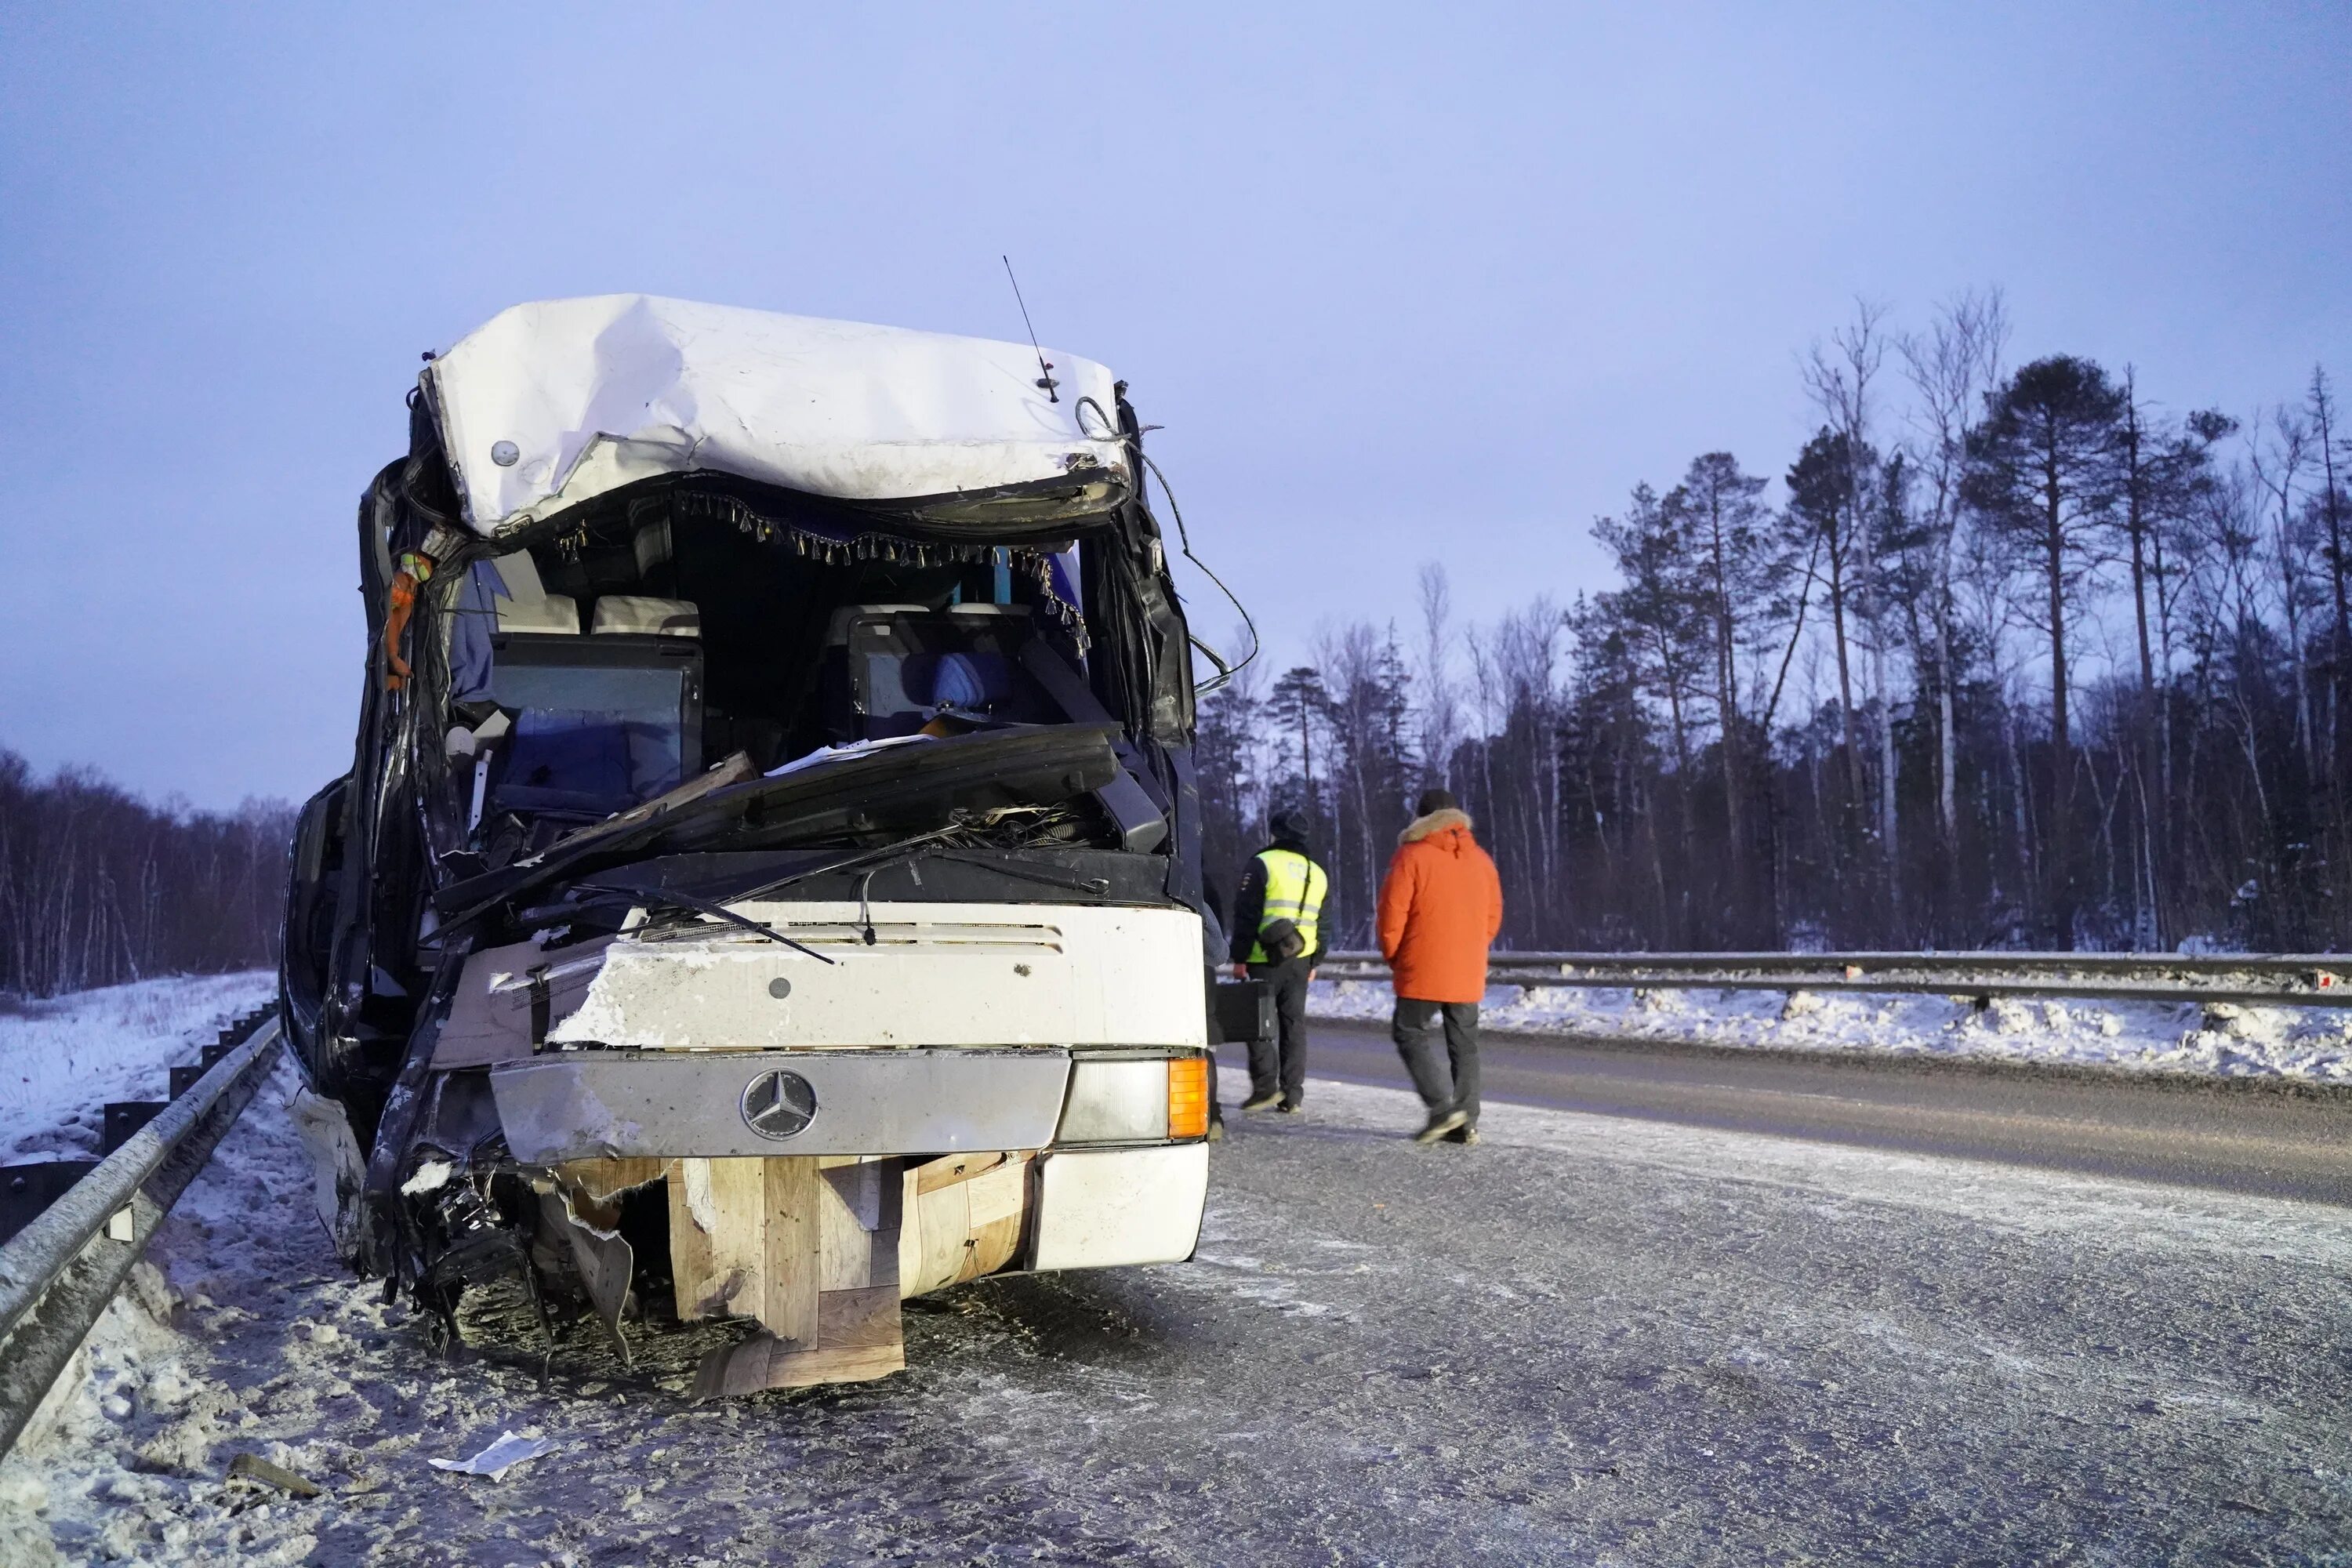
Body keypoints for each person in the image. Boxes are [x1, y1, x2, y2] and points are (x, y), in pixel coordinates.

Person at [1377, 788, 1504, 1145]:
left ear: (1421, 819)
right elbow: (1493, 917)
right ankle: (1467, 1122)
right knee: (1464, 1043)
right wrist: (1473, 948)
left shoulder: (1411, 856)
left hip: (1423, 964)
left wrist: (1394, 955)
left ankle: (1442, 1108)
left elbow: (1392, 913)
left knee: (1409, 1032)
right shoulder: (1482, 860)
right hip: (1468, 966)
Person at [1228, 810, 1330, 1113]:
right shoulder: (1317, 871)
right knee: (1293, 1025)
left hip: (1263, 957)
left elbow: (1247, 913)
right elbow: (1325, 923)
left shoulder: (1263, 863)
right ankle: (1292, 1095)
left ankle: (1265, 1088)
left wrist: (1240, 956)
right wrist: (1315, 960)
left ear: (1274, 833)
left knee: (1258, 1023)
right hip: (1301, 960)